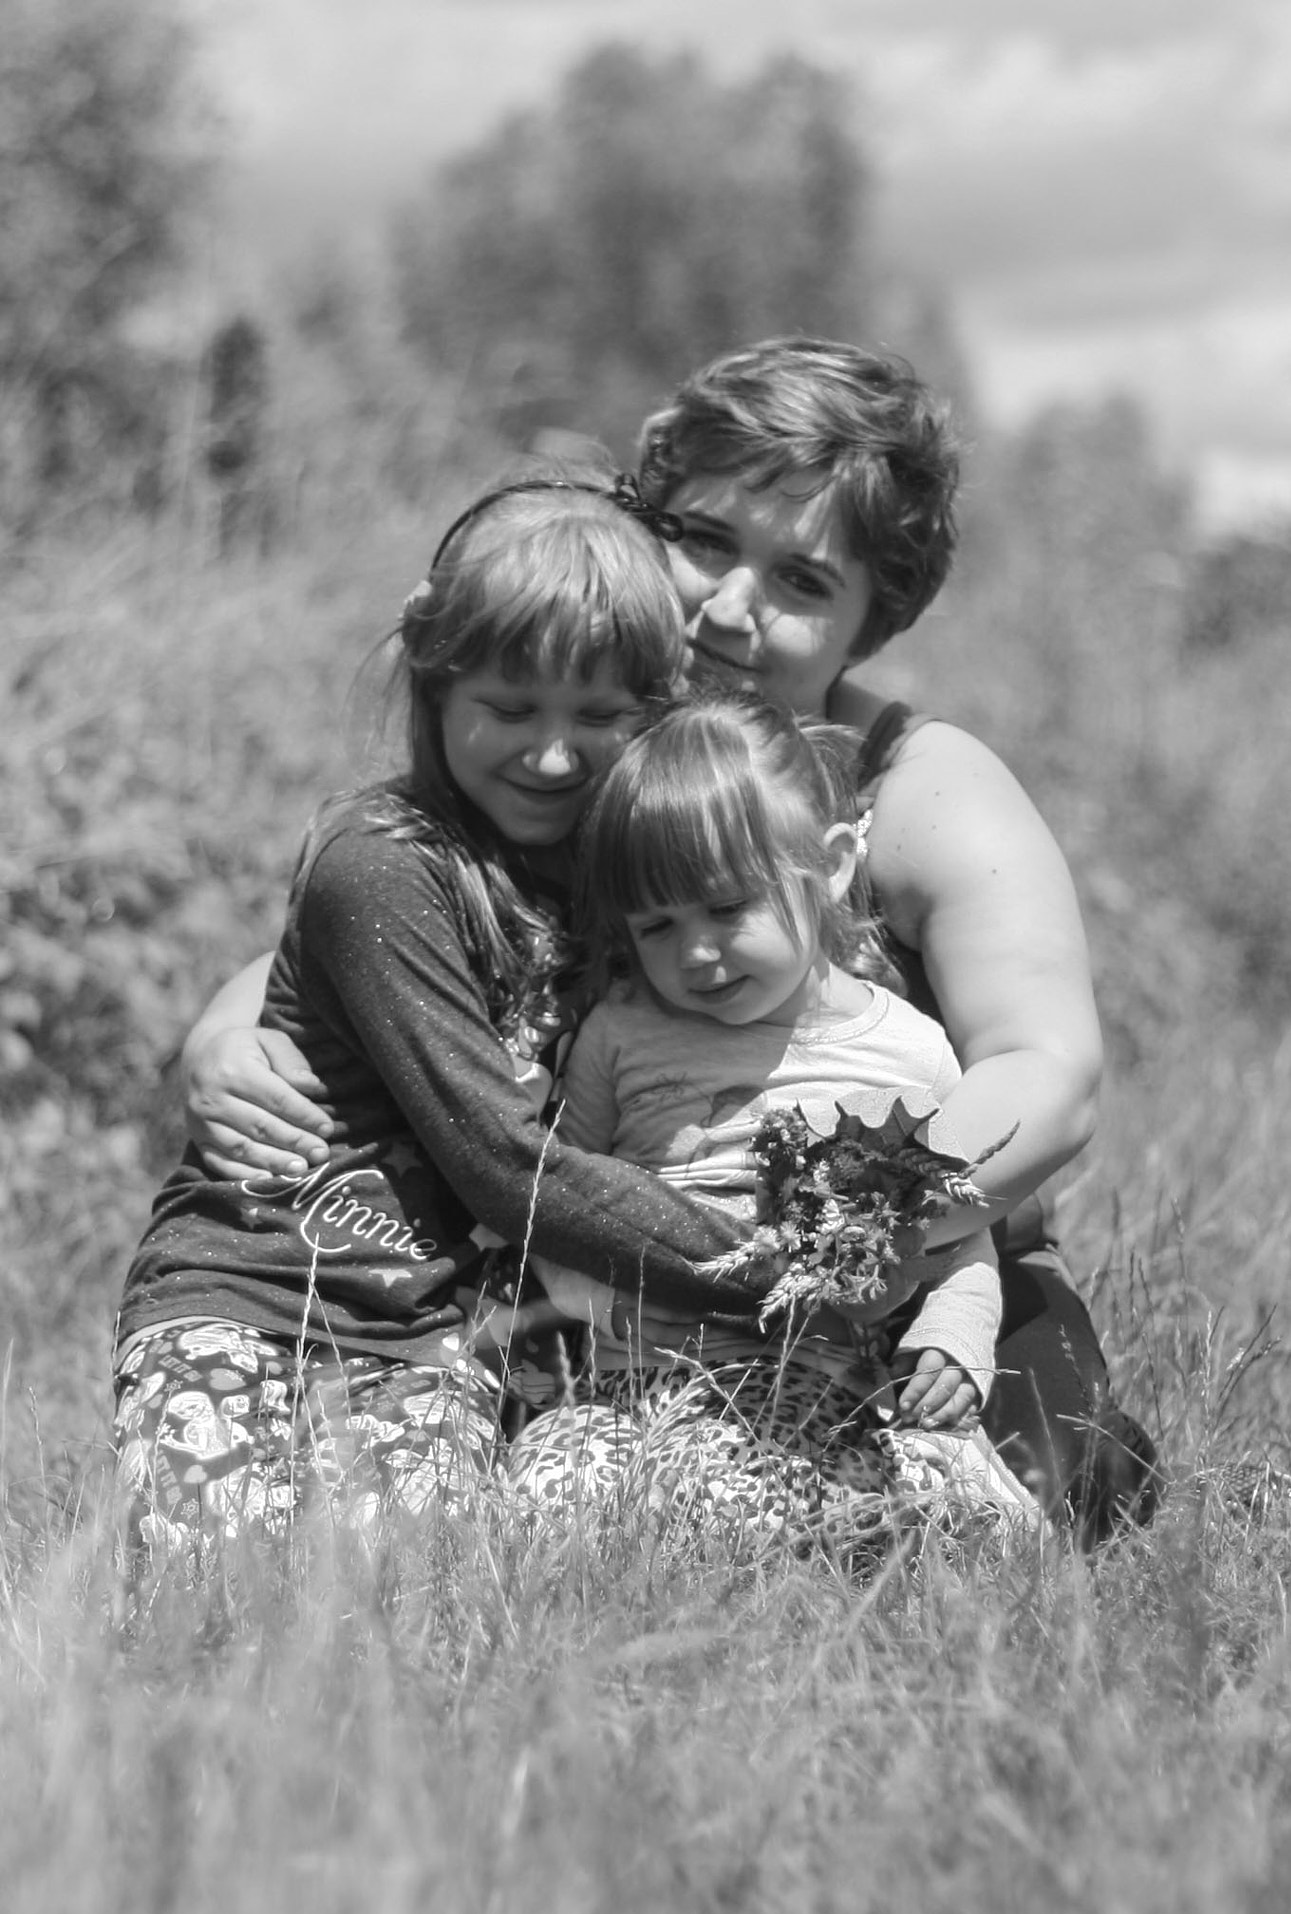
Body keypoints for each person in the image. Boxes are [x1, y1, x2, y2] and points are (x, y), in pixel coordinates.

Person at [178, 336, 1161, 1546]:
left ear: (871, 619)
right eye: (702, 540)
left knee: (1057, 1487)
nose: (727, 607)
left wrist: (832, 1237)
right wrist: (230, 1020)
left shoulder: (920, 785)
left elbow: (1046, 1071)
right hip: (628, 1268)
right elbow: (392, 908)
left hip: (922, 1262)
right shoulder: (583, 745)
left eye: (801, 582)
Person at [113, 474, 786, 1550]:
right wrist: (768, 1267)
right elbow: (501, 1162)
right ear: (434, 687)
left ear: (656, 712)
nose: (553, 754)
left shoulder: (639, 886)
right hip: (253, 1288)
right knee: (218, 1573)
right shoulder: (381, 862)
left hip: (434, 1336)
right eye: (510, 709)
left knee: (411, 1592)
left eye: (600, 716)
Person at [508, 691, 1040, 1538]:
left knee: (980, 1519)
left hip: (837, 1377)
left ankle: (834, 1536)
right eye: (656, 927)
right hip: (646, 1377)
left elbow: (959, 1233)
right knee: (545, 1493)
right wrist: (615, 1307)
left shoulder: (907, 1051)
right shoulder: (618, 1036)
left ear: (830, 865)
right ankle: (763, 1533)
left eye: (727, 908)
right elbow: (556, 1205)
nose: (697, 953)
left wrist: (954, 1340)